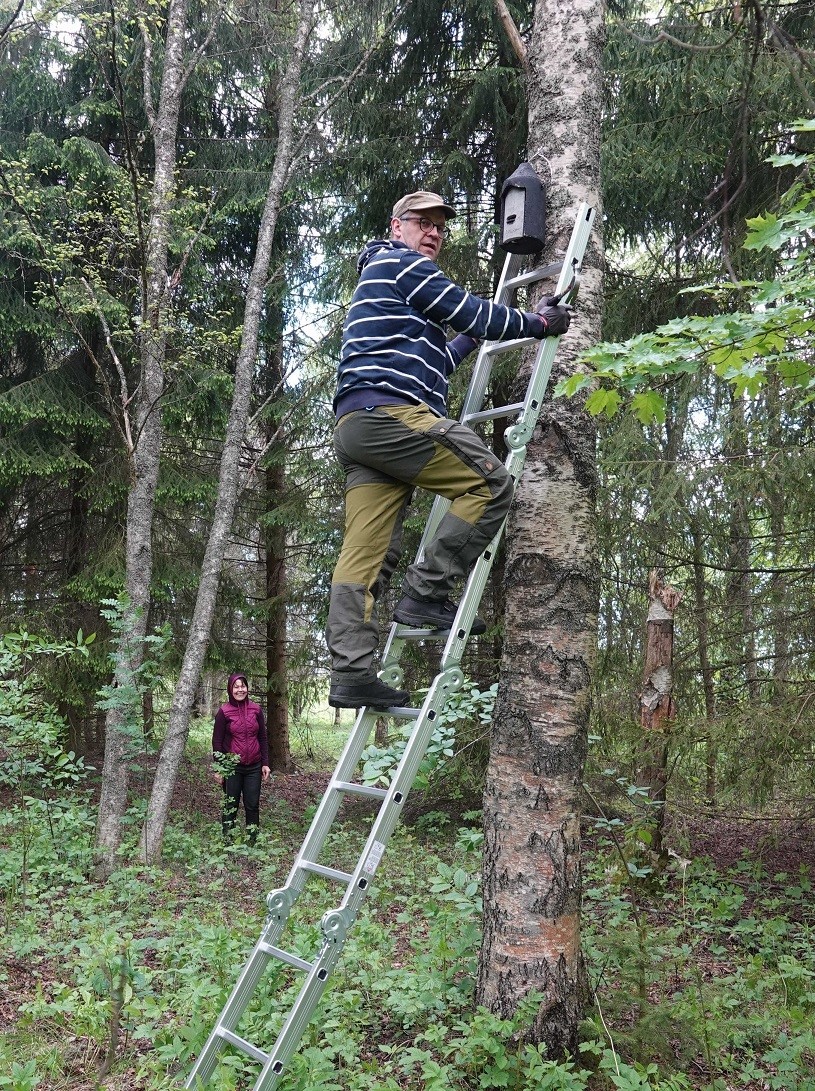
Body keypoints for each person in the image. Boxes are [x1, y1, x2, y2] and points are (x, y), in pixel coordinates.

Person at [326, 190, 572, 711]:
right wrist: (537, 324)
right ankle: (427, 595)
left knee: (365, 555)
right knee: (488, 483)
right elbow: (470, 315)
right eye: (422, 222)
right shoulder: (401, 264)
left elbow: (441, 354)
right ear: (397, 226)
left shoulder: (387, 282)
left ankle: (350, 672)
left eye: (440, 226)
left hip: (359, 426)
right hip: (390, 415)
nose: (433, 232)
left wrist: (487, 327)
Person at [212, 673, 270, 844]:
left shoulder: (256, 709)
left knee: (252, 805)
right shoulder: (224, 712)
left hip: (254, 766)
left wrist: (265, 763)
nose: (240, 690)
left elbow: (263, 738)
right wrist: (220, 768)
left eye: (242, 686)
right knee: (231, 805)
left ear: (247, 688)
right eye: (236, 686)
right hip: (232, 767)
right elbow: (217, 742)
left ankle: (252, 840)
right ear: (230, 689)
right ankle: (227, 841)